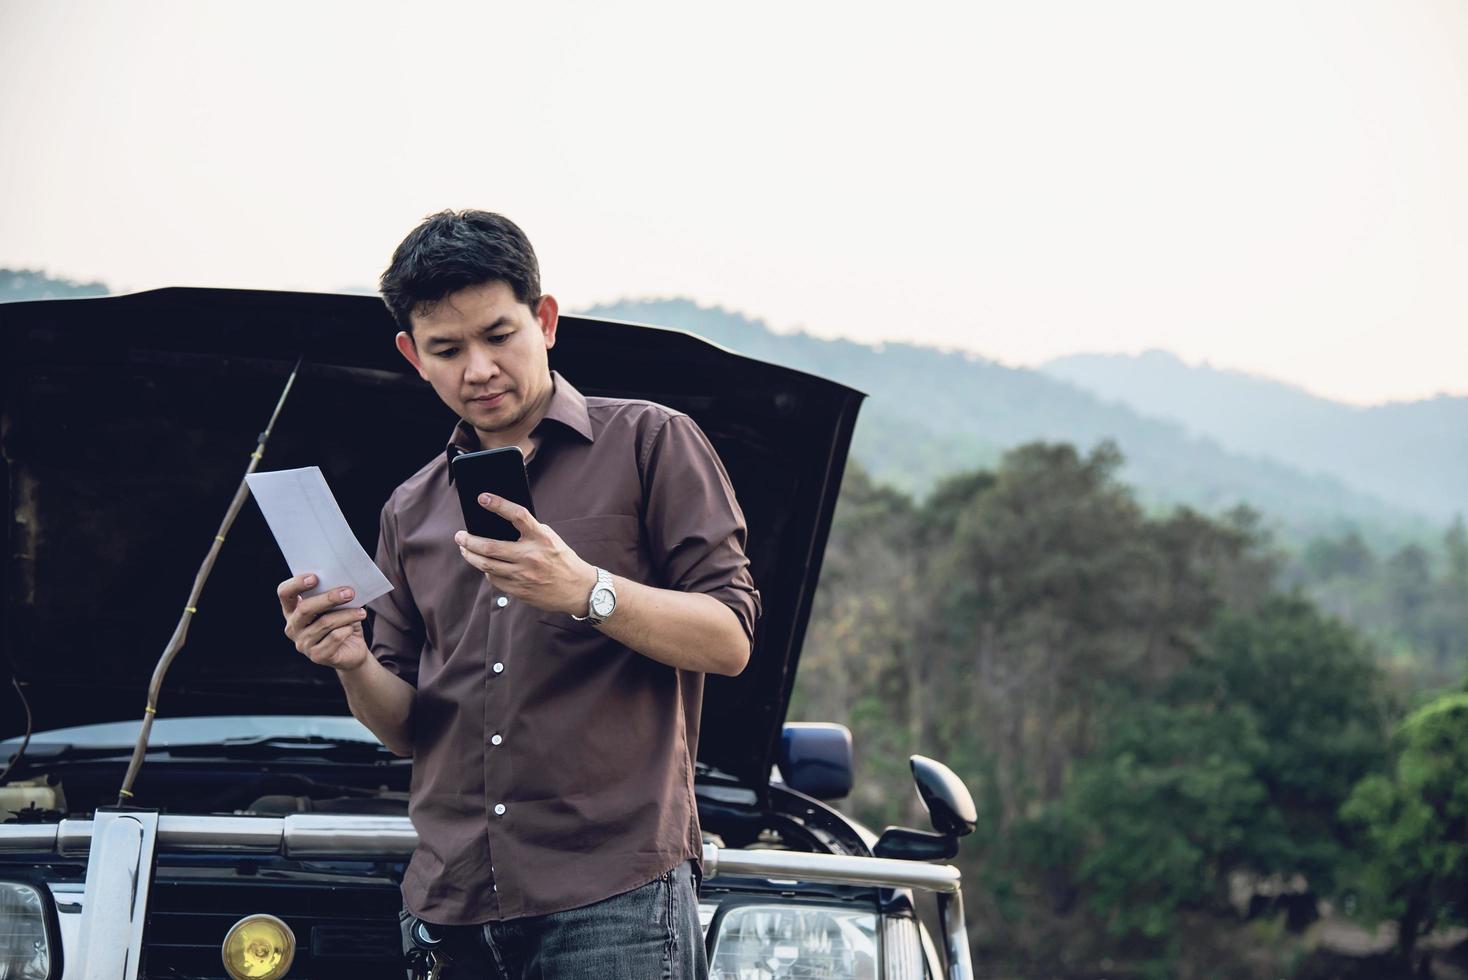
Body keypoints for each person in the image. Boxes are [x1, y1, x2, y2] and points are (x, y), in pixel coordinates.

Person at [276, 210, 760, 979]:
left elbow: (729, 639)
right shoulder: (410, 507)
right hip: (448, 900)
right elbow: (406, 728)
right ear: (412, 356)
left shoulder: (650, 443)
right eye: (447, 349)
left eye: (499, 336)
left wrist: (587, 590)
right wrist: (349, 661)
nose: (478, 369)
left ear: (545, 320)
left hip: (615, 894)